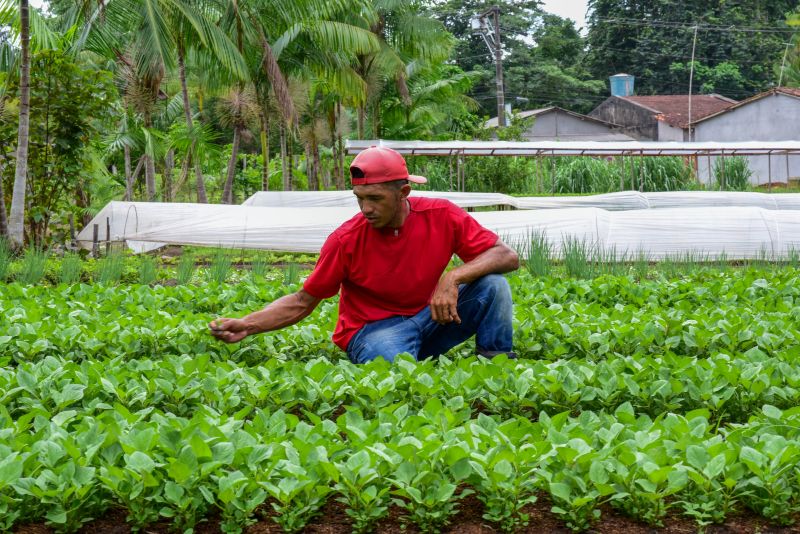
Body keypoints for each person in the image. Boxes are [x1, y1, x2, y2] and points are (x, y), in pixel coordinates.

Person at [209, 146, 519, 363]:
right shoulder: (345, 240)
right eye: (360, 198)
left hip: (429, 320)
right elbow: (303, 301)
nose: (366, 208)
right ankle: (407, 359)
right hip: (374, 331)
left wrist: (454, 276)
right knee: (391, 365)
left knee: (493, 285)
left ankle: (496, 364)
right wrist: (249, 325)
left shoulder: (441, 215)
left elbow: (505, 256)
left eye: (375, 198)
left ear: (403, 193)